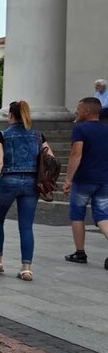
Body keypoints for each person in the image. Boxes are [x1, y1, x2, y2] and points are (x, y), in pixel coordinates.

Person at [0, 100, 50, 281]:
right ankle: (26, 268)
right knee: (26, 226)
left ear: (11, 116)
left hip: (8, 181)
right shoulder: (38, 135)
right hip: (32, 183)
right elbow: (50, 158)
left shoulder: (2, 135)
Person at [63, 97, 108, 267]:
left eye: (79, 109)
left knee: (77, 214)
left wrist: (68, 179)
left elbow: (76, 154)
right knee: (104, 216)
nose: (77, 112)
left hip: (84, 179)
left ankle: (80, 252)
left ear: (87, 111)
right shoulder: (106, 130)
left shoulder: (80, 129)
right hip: (104, 179)